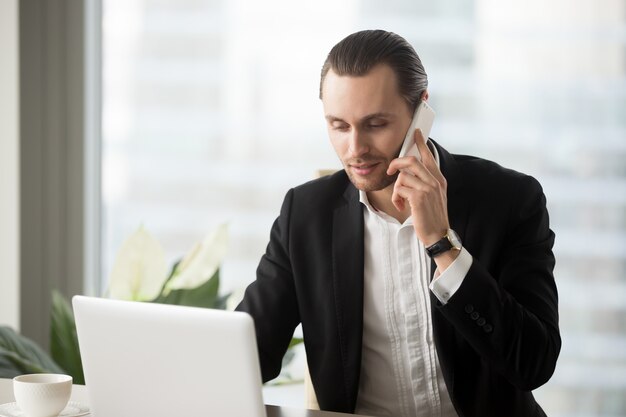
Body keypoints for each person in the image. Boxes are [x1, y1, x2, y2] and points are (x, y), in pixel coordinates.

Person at [237, 29, 560, 417]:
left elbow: (534, 363)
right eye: (339, 126)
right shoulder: (305, 214)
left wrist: (443, 244)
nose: (354, 149)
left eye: (375, 124)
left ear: (421, 111)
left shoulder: (509, 200)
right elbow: (251, 354)